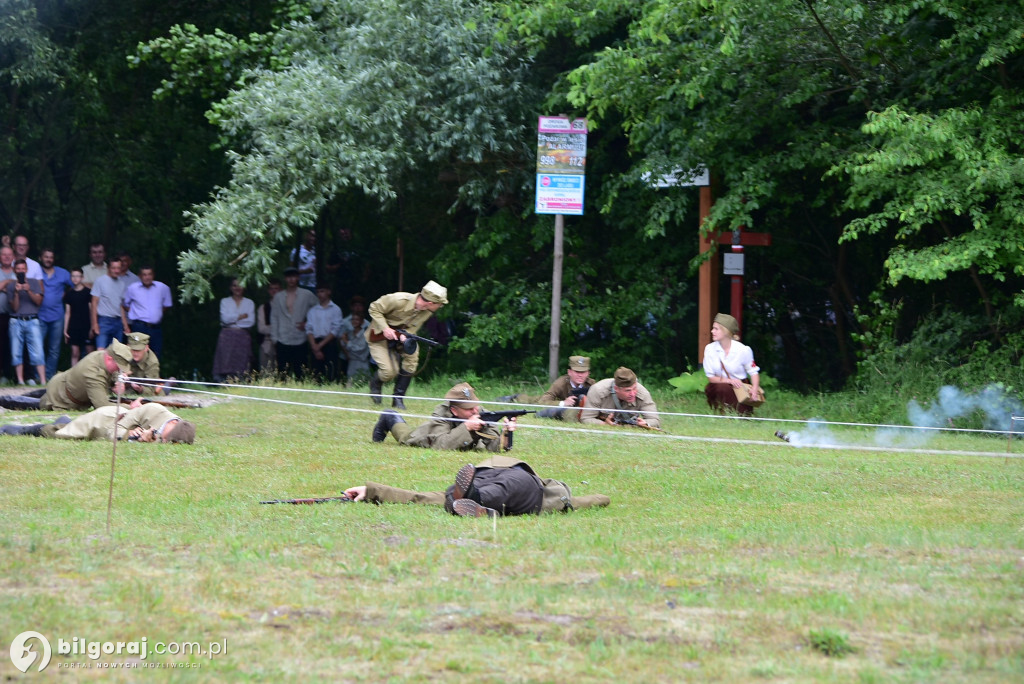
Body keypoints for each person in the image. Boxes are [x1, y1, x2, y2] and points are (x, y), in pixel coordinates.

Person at [343, 456, 611, 518]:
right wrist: (372, 491)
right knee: (445, 497)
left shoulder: (550, 491)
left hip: (521, 486)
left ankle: (476, 502)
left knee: (503, 487)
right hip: (496, 477)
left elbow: (597, 499)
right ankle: (477, 504)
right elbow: (419, 497)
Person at [365, 280, 447, 409]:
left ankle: (398, 398)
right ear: (431, 303)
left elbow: (412, 329)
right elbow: (374, 308)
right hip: (379, 336)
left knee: (413, 357)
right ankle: (376, 383)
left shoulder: (427, 312)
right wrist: (385, 328)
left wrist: (405, 337)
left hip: (400, 338)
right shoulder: (398, 300)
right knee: (389, 372)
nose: (440, 306)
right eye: (440, 304)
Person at [371, 382, 513, 452]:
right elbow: (440, 445)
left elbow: (492, 446)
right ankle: (390, 416)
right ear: (454, 411)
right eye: (469, 408)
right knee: (404, 437)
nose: (475, 411)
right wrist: (466, 427)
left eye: (475, 405)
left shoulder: (479, 411)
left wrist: (505, 436)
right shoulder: (442, 414)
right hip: (423, 437)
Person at [0, 340, 133, 411]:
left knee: (36, 394)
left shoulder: (101, 356)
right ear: (110, 358)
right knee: (32, 403)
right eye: (119, 366)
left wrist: (117, 380)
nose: (120, 370)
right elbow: (101, 405)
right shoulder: (94, 372)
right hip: (61, 398)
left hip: (62, 383)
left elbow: (110, 372)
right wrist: (130, 407)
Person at [0, 402, 196, 443]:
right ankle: (11, 429)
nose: (164, 441)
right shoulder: (153, 410)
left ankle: (65, 421)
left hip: (113, 421)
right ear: (171, 425)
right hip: (104, 421)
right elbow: (114, 431)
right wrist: (131, 436)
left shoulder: (175, 426)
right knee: (56, 433)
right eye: (166, 438)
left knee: (66, 425)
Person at [702, 313, 763, 416]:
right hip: (719, 386)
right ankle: (722, 412)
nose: (712, 331)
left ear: (726, 331)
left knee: (744, 416)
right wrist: (729, 381)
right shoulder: (710, 349)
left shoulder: (743, 350)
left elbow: (753, 372)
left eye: (716, 329)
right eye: (713, 328)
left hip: (740, 387)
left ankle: (740, 412)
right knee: (723, 388)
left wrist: (754, 389)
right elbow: (711, 377)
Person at [270, 267, 317, 378]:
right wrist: (274, 338)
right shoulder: (278, 297)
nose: (291, 279)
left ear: (298, 278)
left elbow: (318, 310)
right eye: (289, 277)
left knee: (301, 371)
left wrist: (307, 323)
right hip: (282, 338)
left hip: (300, 338)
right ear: (285, 279)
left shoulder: (306, 294)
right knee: (282, 372)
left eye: (294, 277)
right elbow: (274, 317)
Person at [580, 366, 662, 429]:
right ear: (616, 389)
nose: (633, 393)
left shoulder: (643, 393)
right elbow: (586, 418)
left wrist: (645, 423)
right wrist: (605, 425)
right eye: (628, 390)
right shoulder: (597, 390)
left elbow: (655, 420)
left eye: (634, 388)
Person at [6, 259, 46, 385]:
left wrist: (28, 290)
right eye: (18, 269)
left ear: (27, 270)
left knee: (38, 351)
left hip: (32, 320)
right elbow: (14, 308)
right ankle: (21, 381)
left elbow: (39, 302)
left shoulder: (34, 283)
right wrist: (17, 292)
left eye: (23, 269)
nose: (21, 271)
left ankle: (43, 381)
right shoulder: (11, 285)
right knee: (16, 352)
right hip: (16, 321)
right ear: (14, 270)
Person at [121, 265, 173, 357]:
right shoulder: (132, 288)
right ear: (139, 276)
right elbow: (125, 304)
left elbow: (167, 305)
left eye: (149, 274)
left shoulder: (163, 288)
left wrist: (157, 313)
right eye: (144, 275)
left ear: (153, 275)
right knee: (137, 355)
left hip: (156, 328)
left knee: (155, 355)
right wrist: (136, 312)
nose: (147, 277)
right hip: (139, 327)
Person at [37, 249, 73, 381]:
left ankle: (49, 377)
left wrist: (66, 294)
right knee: (38, 347)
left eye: (51, 257)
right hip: (40, 315)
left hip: (58, 316)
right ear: (41, 258)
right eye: (46, 257)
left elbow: (75, 284)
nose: (48, 259)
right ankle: (38, 377)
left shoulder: (62, 272)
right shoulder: (36, 271)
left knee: (54, 349)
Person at [212, 278, 255, 382]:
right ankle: (223, 382)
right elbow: (224, 320)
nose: (237, 288)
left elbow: (250, 322)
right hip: (227, 335)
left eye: (240, 285)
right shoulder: (225, 301)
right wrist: (241, 316)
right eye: (235, 285)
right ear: (231, 288)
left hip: (243, 335)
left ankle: (241, 381)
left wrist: (232, 318)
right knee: (225, 360)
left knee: (242, 361)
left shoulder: (249, 303)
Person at [534, 355, 596, 421]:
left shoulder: (592, 385)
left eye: (583, 372)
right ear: (569, 372)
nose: (580, 375)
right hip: (564, 411)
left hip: (582, 412)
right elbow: (542, 401)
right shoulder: (560, 383)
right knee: (532, 400)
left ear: (588, 373)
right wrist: (563, 403)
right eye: (577, 372)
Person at [305, 283, 342, 383]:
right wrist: (314, 346)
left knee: (330, 373)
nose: (319, 294)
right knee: (316, 374)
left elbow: (335, 330)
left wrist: (320, 346)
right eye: (318, 292)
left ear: (328, 292)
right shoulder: (313, 310)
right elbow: (309, 328)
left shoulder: (336, 309)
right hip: (315, 342)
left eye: (322, 291)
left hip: (329, 343)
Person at [90, 257, 127, 349]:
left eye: (118, 268)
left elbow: (121, 306)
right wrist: (94, 324)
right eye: (114, 268)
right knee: (101, 352)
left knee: (116, 353)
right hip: (104, 321)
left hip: (118, 322)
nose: (116, 270)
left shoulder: (122, 284)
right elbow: (94, 303)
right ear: (108, 268)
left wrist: (125, 325)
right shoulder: (100, 281)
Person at [63, 268, 93, 366]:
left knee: (90, 353)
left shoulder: (88, 292)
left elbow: (91, 311)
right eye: (73, 276)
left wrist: (92, 327)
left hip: (86, 326)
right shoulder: (69, 293)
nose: (75, 278)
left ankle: (89, 377)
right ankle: (73, 377)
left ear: (82, 278)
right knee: (75, 353)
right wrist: (65, 330)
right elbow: (67, 312)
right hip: (73, 327)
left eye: (78, 276)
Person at [256, 278, 281, 373]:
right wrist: (277, 328)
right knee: (265, 372)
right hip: (266, 343)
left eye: (276, 288)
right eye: (271, 288)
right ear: (268, 291)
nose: (274, 291)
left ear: (281, 290)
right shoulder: (263, 308)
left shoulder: (287, 307)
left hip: (283, 342)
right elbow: (261, 328)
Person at [0, 246, 17, 379]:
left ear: (13, 257)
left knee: (14, 346)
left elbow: (20, 285)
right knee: (2, 345)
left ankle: (13, 376)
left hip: (15, 315)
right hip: (0, 315)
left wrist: (5, 285)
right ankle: (4, 375)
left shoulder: (17, 271)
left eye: (9, 255)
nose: (6, 257)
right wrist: (7, 283)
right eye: (4, 254)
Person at [340, 311, 370, 384]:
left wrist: (347, 342)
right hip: (352, 363)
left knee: (364, 383)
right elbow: (342, 344)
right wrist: (344, 342)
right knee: (350, 383)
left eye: (357, 319)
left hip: (362, 363)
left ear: (361, 321)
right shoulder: (349, 333)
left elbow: (360, 349)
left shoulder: (365, 334)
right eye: (353, 319)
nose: (354, 321)